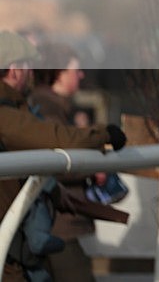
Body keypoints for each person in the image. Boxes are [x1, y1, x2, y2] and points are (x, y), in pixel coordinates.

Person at [0, 31, 127, 282]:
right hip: (18, 247)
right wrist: (105, 133)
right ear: (14, 70)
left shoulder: (18, 108)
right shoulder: (9, 114)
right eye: (27, 66)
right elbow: (55, 137)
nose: (31, 73)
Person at [28, 42, 103, 282]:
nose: (81, 75)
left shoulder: (55, 108)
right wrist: (93, 168)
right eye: (75, 70)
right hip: (58, 223)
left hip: (57, 221)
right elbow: (52, 163)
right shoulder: (48, 110)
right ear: (59, 73)